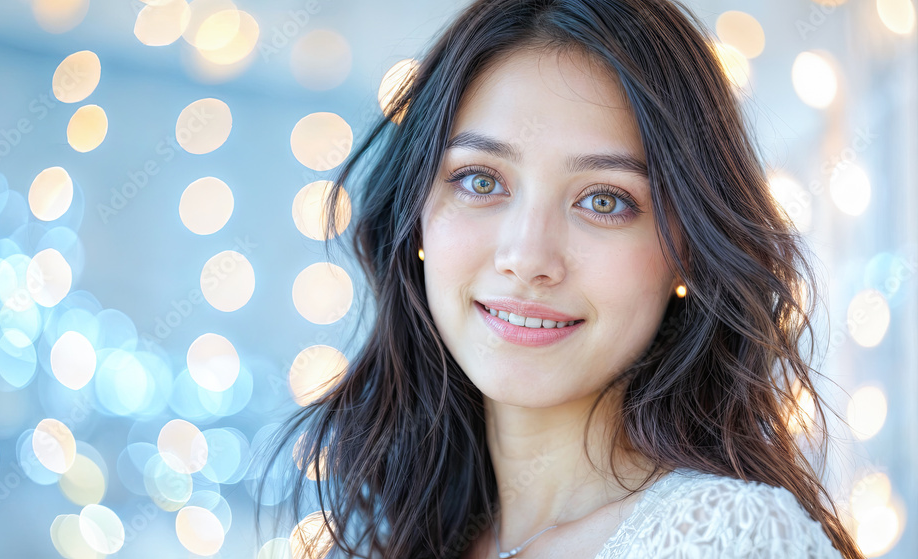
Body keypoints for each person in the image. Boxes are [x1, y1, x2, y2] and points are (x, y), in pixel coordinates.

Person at [253, 0, 864, 557]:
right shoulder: (399, 538)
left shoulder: (732, 539)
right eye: (481, 181)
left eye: (603, 200)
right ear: (415, 220)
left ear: (688, 255)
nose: (527, 256)